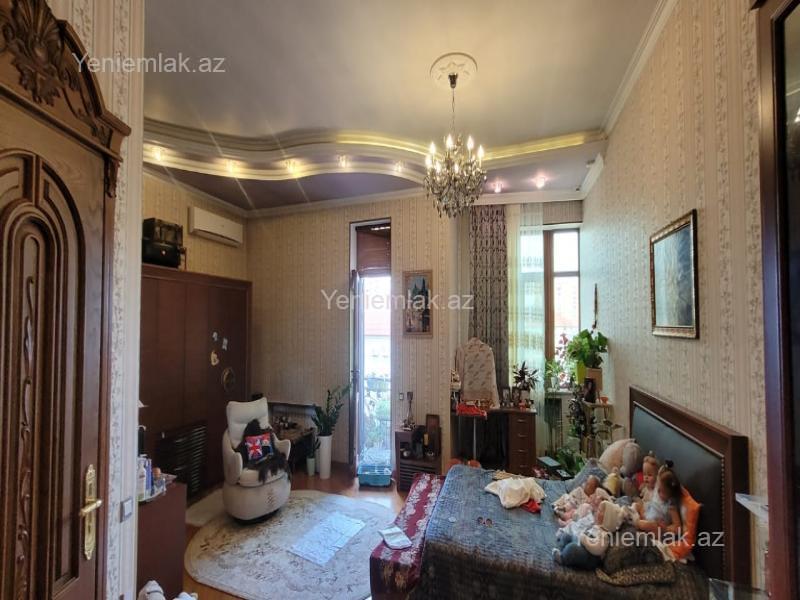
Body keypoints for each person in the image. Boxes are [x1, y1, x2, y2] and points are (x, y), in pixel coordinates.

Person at [553, 500, 626, 569]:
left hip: (591, 557)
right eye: (598, 510)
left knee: (573, 549)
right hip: (583, 546)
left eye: (600, 511)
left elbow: (597, 550)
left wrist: (585, 540)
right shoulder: (597, 527)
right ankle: (562, 549)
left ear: (608, 519)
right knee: (567, 536)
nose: (597, 512)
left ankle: (562, 559)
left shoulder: (605, 535)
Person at [635, 461, 682, 539]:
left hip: (656, 527)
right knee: (637, 505)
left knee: (648, 525)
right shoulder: (659, 484)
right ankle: (636, 520)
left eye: (661, 491)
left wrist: (666, 528)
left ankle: (635, 523)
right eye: (658, 489)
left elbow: (677, 528)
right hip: (647, 514)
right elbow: (660, 472)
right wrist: (666, 466)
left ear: (670, 495)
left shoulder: (671, 506)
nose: (658, 492)